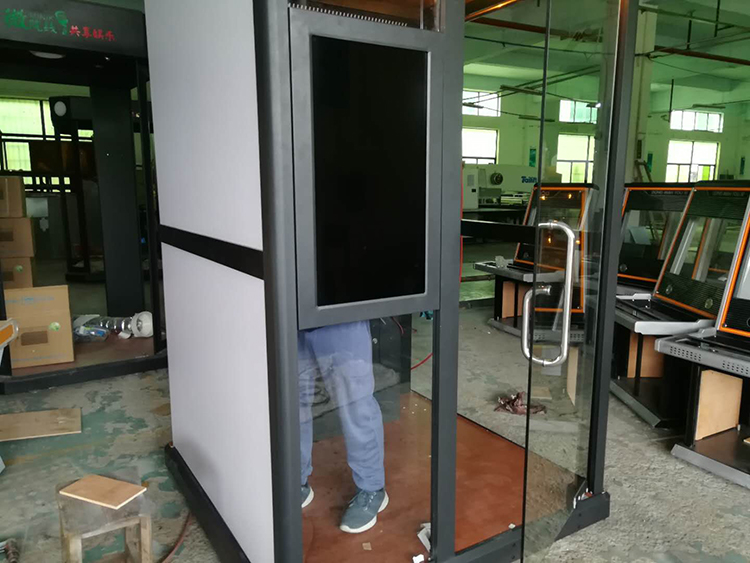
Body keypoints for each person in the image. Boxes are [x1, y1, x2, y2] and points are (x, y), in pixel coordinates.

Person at [298, 320, 387, 534]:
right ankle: (296, 480)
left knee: (355, 403)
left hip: (339, 313)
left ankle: (372, 488)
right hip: (291, 313)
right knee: (292, 403)